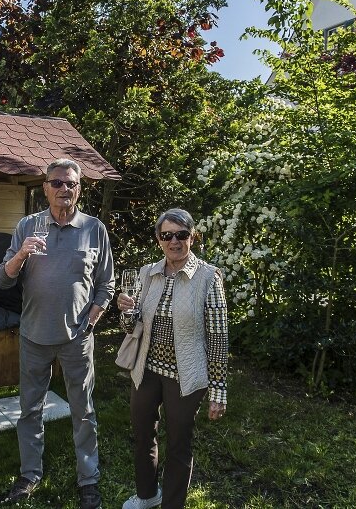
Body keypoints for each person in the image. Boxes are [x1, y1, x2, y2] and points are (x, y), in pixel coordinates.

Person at [0, 158, 115, 509]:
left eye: (71, 183)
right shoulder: (28, 226)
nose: (64, 189)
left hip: (76, 338)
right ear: (45, 187)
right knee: (30, 409)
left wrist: (91, 321)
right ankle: (30, 473)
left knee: (84, 410)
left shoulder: (94, 228)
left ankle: (88, 479)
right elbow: (3, 279)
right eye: (57, 183)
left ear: (79, 188)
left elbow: (106, 284)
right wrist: (21, 253)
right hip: (33, 335)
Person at [116, 208, 228, 509]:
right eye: (167, 235)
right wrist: (126, 311)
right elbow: (132, 327)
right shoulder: (147, 272)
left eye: (181, 235)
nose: (174, 241)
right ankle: (147, 495)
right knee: (142, 435)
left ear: (193, 237)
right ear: (158, 239)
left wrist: (218, 390)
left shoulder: (208, 277)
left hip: (186, 374)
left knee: (178, 445)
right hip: (146, 369)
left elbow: (218, 338)